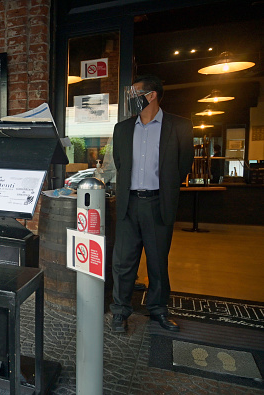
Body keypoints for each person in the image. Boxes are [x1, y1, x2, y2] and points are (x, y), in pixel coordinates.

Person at [110, 75, 194, 333]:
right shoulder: (122, 129)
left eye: (135, 94)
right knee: (123, 262)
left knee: (158, 261)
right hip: (128, 204)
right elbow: (120, 163)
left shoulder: (179, 126)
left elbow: (183, 166)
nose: (131, 100)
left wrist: (164, 189)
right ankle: (120, 311)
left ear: (152, 95)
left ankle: (158, 310)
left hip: (159, 203)